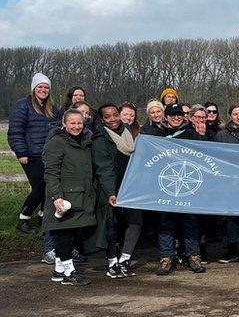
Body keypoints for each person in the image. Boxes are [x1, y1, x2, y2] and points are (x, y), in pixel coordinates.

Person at [44, 109, 113, 286]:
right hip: (64, 198)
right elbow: (51, 173)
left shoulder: (86, 141)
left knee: (68, 234)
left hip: (81, 196)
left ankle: (59, 270)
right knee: (64, 235)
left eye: (80, 123)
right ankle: (69, 272)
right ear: (64, 124)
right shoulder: (57, 142)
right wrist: (57, 197)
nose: (76, 126)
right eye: (72, 123)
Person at [143, 103, 208, 275]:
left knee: (190, 222)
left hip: (190, 184)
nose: (176, 117)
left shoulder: (192, 133)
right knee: (166, 223)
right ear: (166, 116)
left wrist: (202, 136)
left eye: (179, 114)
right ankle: (166, 258)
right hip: (166, 186)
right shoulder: (156, 134)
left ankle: (194, 256)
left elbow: (205, 156)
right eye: (173, 115)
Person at [91, 104, 142, 279]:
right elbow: (104, 168)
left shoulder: (130, 132)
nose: (112, 119)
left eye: (115, 115)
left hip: (131, 187)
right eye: (107, 116)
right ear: (102, 119)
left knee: (135, 221)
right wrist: (110, 192)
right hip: (110, 188)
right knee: (111, 225)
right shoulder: (100, 139)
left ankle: (125, 258)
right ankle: (112, 260)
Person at [9, 73, 58, 240]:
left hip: (48, 155)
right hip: (31, 156)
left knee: (49, 187)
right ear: (34, 88)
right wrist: (21, 152)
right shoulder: (22, 105)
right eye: (40, 87)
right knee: (38, 188)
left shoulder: (52, 108)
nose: (43, 90)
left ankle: (44, 217)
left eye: (46, 87)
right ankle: (23, 220)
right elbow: (15, 131)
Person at [214, 104, 239, 264]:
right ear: (230, 116)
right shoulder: (222, 134)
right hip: (229, 180)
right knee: (231, 215)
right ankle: (231, 249)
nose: (238, 116)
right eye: (235, 114)